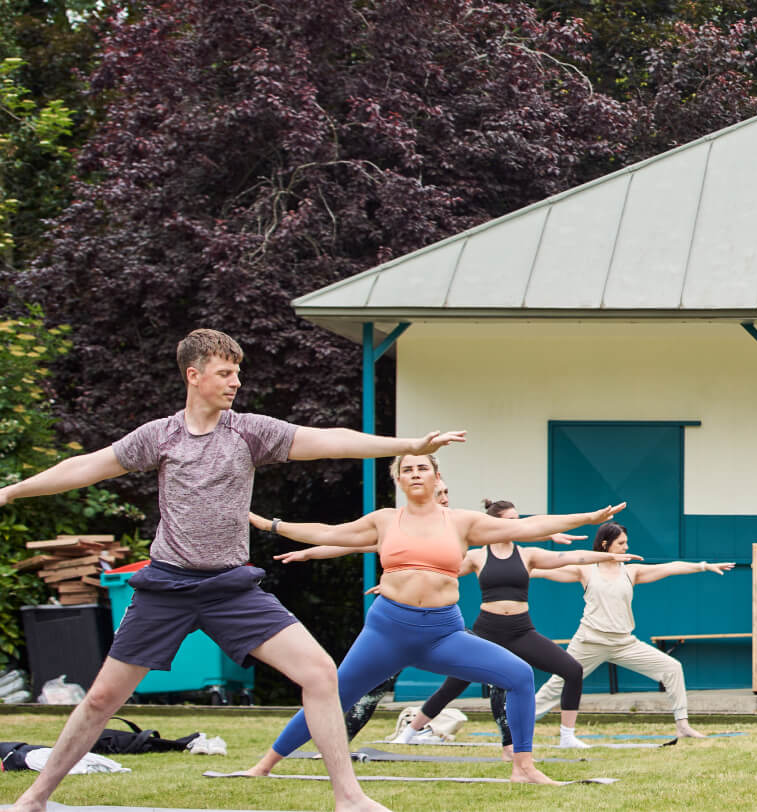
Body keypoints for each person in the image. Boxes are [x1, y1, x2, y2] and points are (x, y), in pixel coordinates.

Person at [0, 328, 465, 812]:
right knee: (101, 700)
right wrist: (11, 492)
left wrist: (409, 443)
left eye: (238, 373)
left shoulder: (249, 431)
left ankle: (349, 798)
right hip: (166, 587)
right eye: (225, 373)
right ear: (194, 375)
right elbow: (88, 466)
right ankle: (34, 799)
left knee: (321, 673)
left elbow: (330, 441)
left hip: (230, 588)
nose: (236, 382)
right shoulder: (160, 436)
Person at [241, 453, 626, 784]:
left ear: (436, 476)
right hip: (387, 629)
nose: (414, 473)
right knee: (331, 694)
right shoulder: (385, 520)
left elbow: (526, 526)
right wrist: (272, 525)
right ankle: (265, 765)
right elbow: (332, 534)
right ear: (398, 479)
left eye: (422, 468)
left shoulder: (462, 522)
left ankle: (523, 767)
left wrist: (587, 518)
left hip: (442, 632)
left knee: (520, 676)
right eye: (406, 469)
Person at [272, 467, 588, 745]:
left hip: (438, 623)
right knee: (366, 688)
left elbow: (516, 530)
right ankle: (345, 738)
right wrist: (313, 552)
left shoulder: (456, 525)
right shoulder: (401, 523)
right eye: (442, 492)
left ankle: (504, 747)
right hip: (398, 623)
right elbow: (355, 541)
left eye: (448, 492)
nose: (447, 497)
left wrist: (556, 531)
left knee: (493, 678)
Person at [395, 497, 643, 756]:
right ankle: (410, 732)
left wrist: (610, 555)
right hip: (486, 632)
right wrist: (400, 585)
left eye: (518, 520)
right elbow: (439, 573)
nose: (518, 525)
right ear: (493, 524)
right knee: (453, 685)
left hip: (521, 630)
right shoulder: (477, 557)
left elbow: (573, 556)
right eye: (510, 521)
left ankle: (567, 736)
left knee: (572, 670)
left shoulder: (527, 555)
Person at [530, 521, 734, 741]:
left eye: (626, 542)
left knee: (672, 668)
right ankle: (516, 723)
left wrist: (703, 566)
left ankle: (683, 726)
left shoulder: (631, 572)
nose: (626, 547)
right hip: (589, 642)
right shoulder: (586, 570)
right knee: (556, 685)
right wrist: (511, 570)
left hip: (624, 643)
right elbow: (540, 570)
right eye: (621, 543)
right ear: (606, 544)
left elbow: (668, 568)